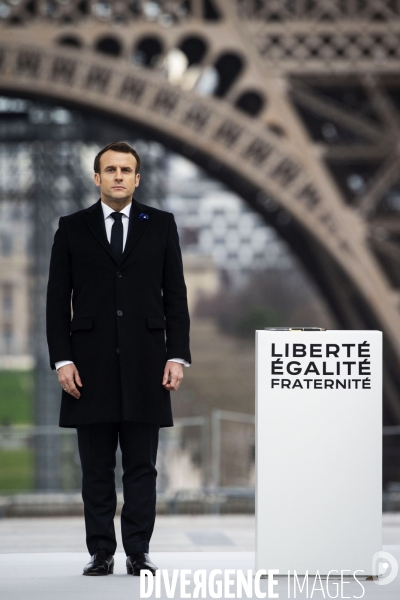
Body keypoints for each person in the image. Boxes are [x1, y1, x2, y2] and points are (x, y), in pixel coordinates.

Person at [46, 141, 191, 576]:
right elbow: (56, 303)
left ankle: (138, 551)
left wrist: (177, 355)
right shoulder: (72, 228)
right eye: (110, 169)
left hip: (148, 363)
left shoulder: (162, 225)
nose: (118, 176)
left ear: (137, 178)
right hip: (87, 367)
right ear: (97, 177)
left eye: (126, 170)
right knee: (96, 468)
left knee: (143, 467)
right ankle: (101, 552)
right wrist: (62, 360)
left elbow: (176, 299)